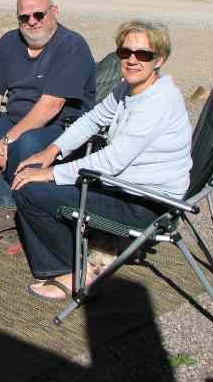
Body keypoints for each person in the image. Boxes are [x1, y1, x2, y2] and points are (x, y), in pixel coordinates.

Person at [12, 20, 192, 301]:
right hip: (126, 187)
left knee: (29, 190)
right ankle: (70, 253)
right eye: (126, 52)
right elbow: (93, 120)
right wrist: (51, 152)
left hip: (147, 203)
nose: (133, 60)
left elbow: (112, 162)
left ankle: (75, 270)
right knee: (35, 175)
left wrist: (52, 173)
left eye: (143, 54)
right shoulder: (128, 89)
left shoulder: (158, 102)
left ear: (160, 60)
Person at [0, 0, 96, 237]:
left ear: (55, 12)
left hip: (60, 128)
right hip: (16, 122)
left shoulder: (71, 45)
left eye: (39, 14)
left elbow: (50, 106)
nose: (32, 22)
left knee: (28, 140)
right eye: (24, 17)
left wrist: (6, 141)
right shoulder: (9, 42)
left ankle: (27, 209)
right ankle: (2, 205)